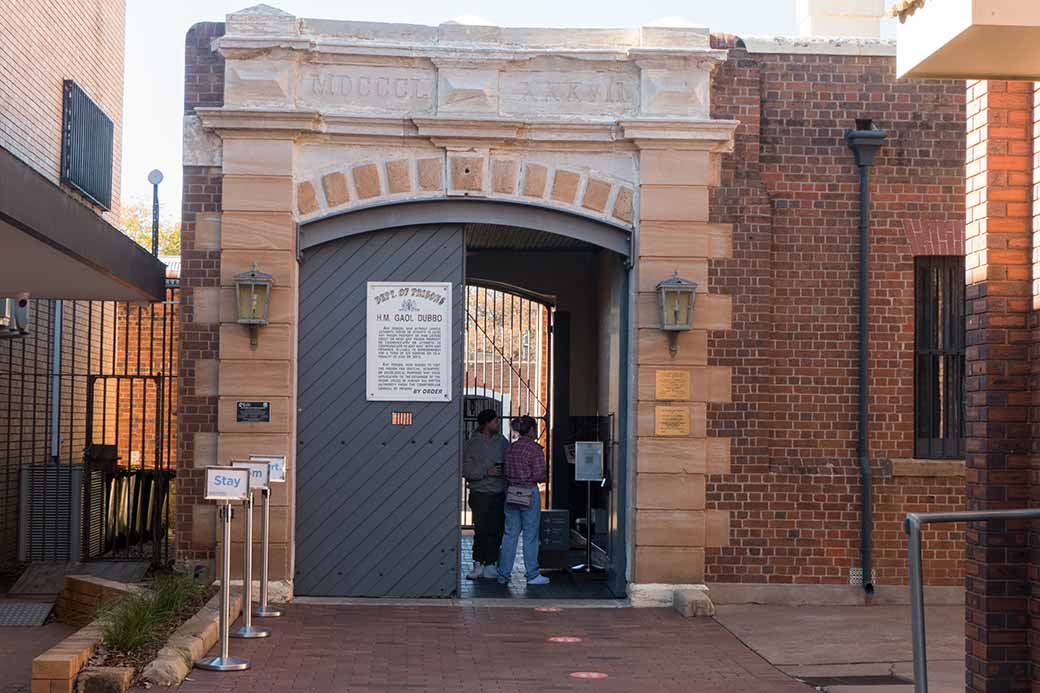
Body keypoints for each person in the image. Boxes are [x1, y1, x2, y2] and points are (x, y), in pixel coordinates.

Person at [497, 415, 550, 586]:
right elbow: (540, 475)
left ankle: (503, 574)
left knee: (510, 534)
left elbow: (505, 471)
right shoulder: (534, 449)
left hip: (512, 492)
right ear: (532, 430)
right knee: (530, 535)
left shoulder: (511, 448)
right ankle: (532, 574)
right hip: (529, 491)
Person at [462, 409, 508, 580]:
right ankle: (478, 563)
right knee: (480, 529)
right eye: (495, 421)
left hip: (498, 492)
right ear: (486, 423)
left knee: (496, 530)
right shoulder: (471, 444)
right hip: (479, 493)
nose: (498, 424)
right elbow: (465, 470)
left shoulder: (503, 442)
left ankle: (491, 563)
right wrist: (486, 471)